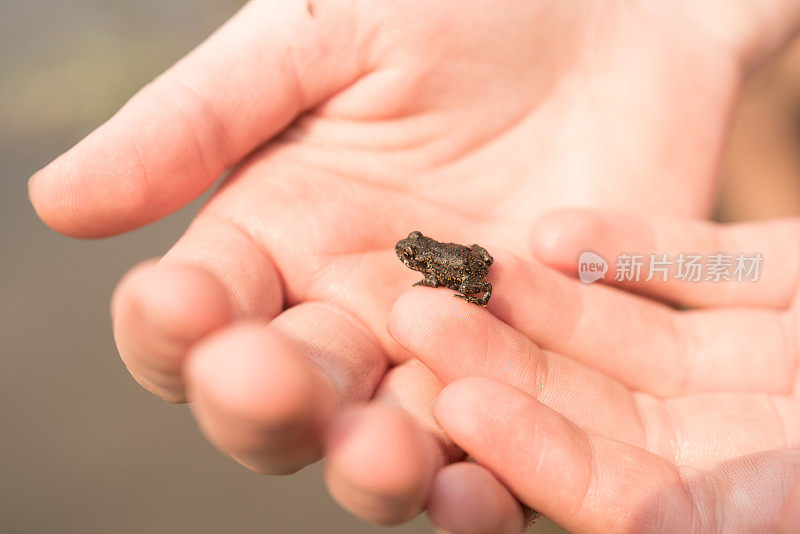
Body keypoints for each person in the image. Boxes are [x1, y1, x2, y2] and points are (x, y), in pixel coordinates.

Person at [28, 0, 800, 532]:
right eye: (409, 258)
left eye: (410, 258)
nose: (406, 259)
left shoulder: (431, 265)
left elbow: (459, 271)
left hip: (473, 266)